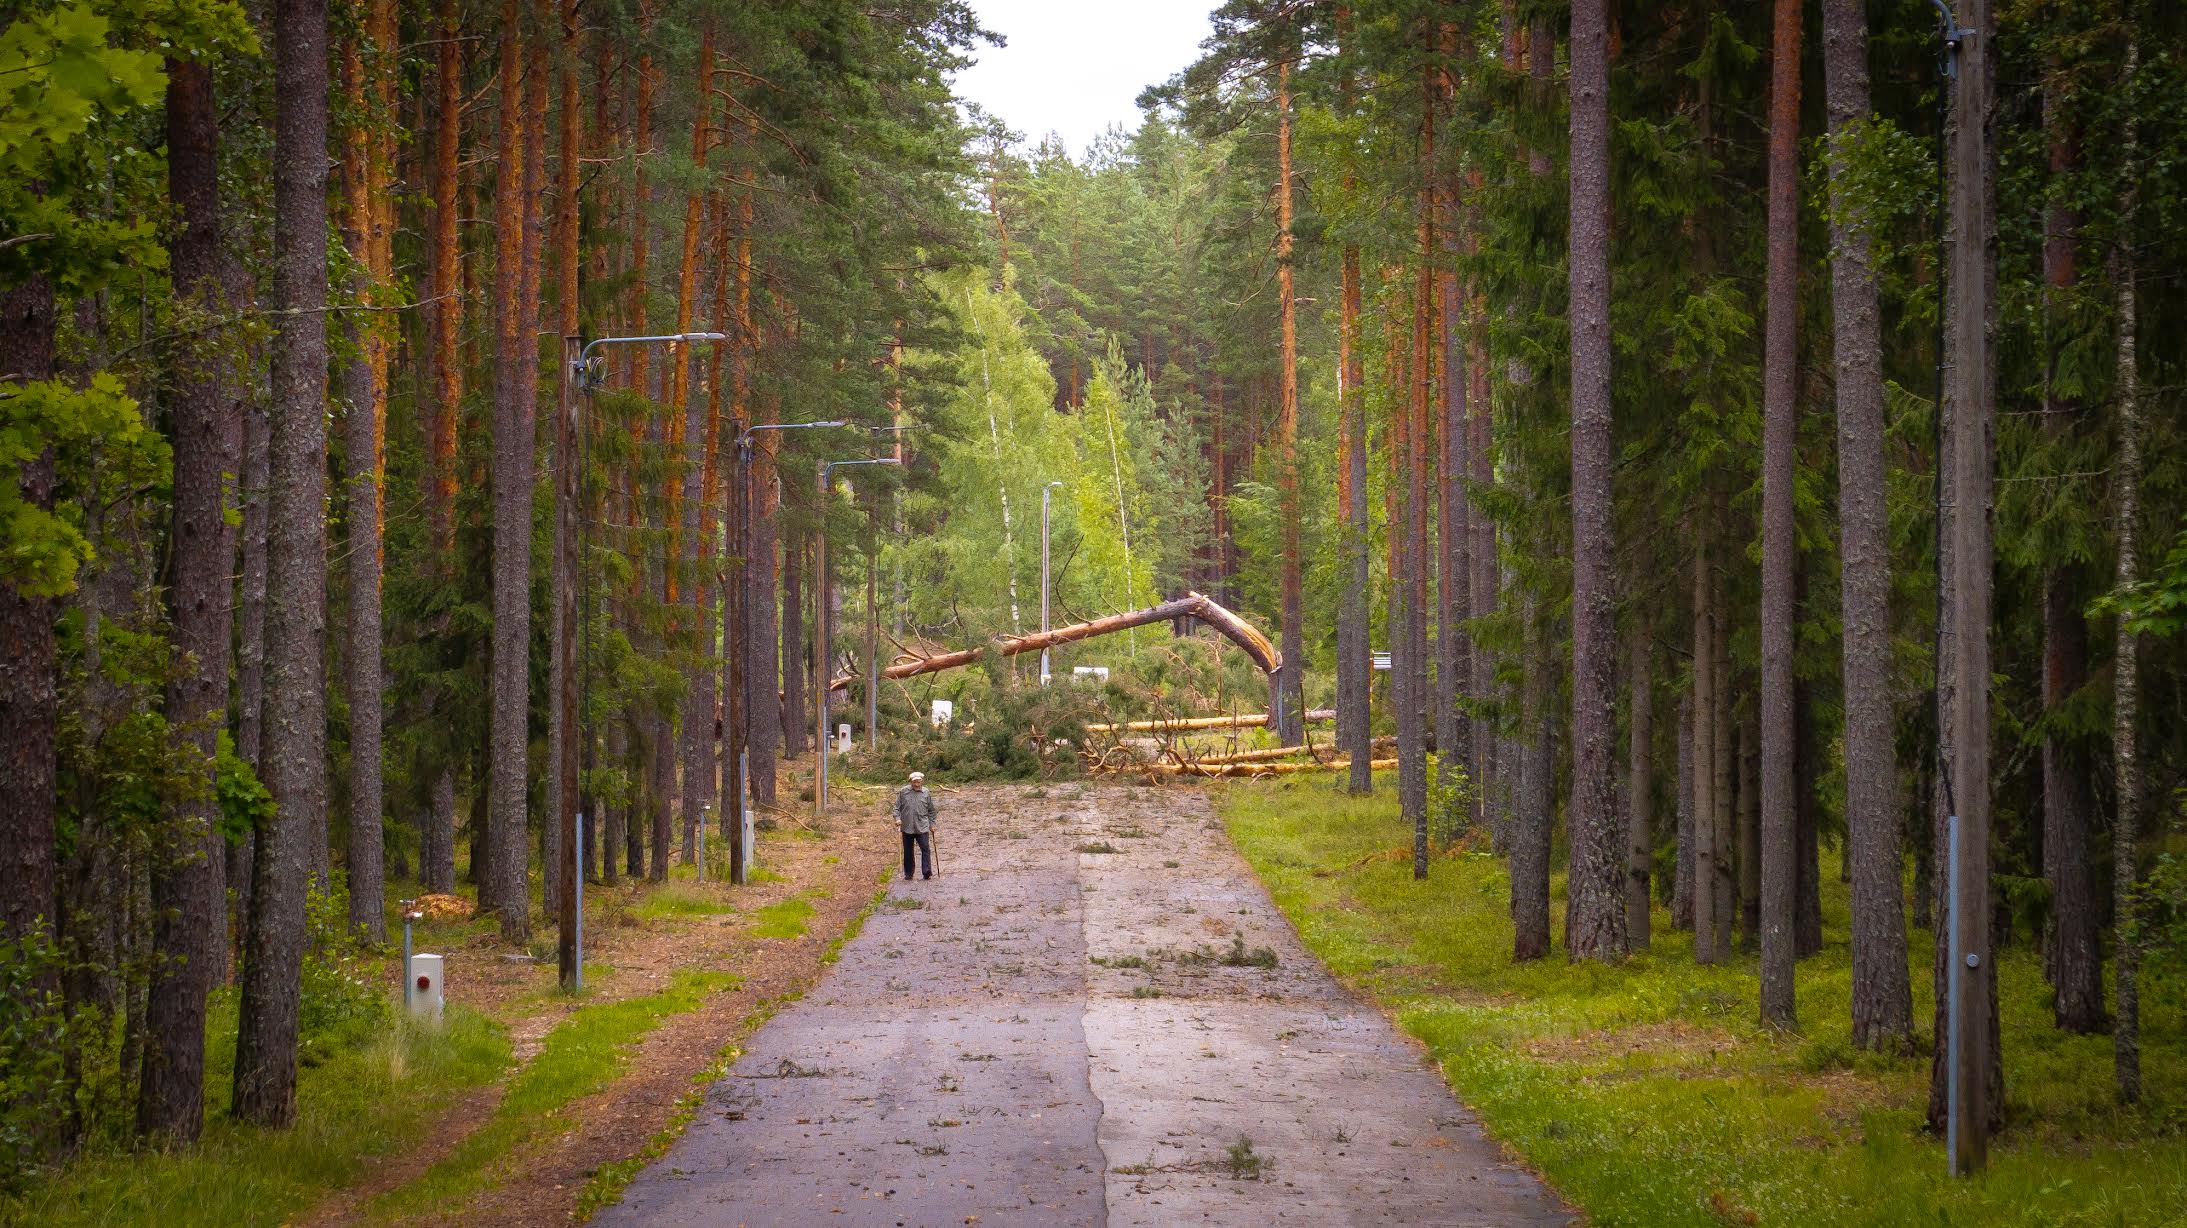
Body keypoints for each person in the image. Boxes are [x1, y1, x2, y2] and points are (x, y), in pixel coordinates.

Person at [894, 771, 938, 880]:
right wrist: (897, 819)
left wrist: (932, 824)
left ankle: (926, 872)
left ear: (922, 781)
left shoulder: (926, 793)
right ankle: (908, 873)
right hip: (907, 826)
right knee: (908, 851)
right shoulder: (903, 792)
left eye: (919, 782)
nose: (917, 784)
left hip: (922, 826)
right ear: (911, 782)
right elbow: (896, 808)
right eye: (914, 782)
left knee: (925, 849)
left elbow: (931, 811)